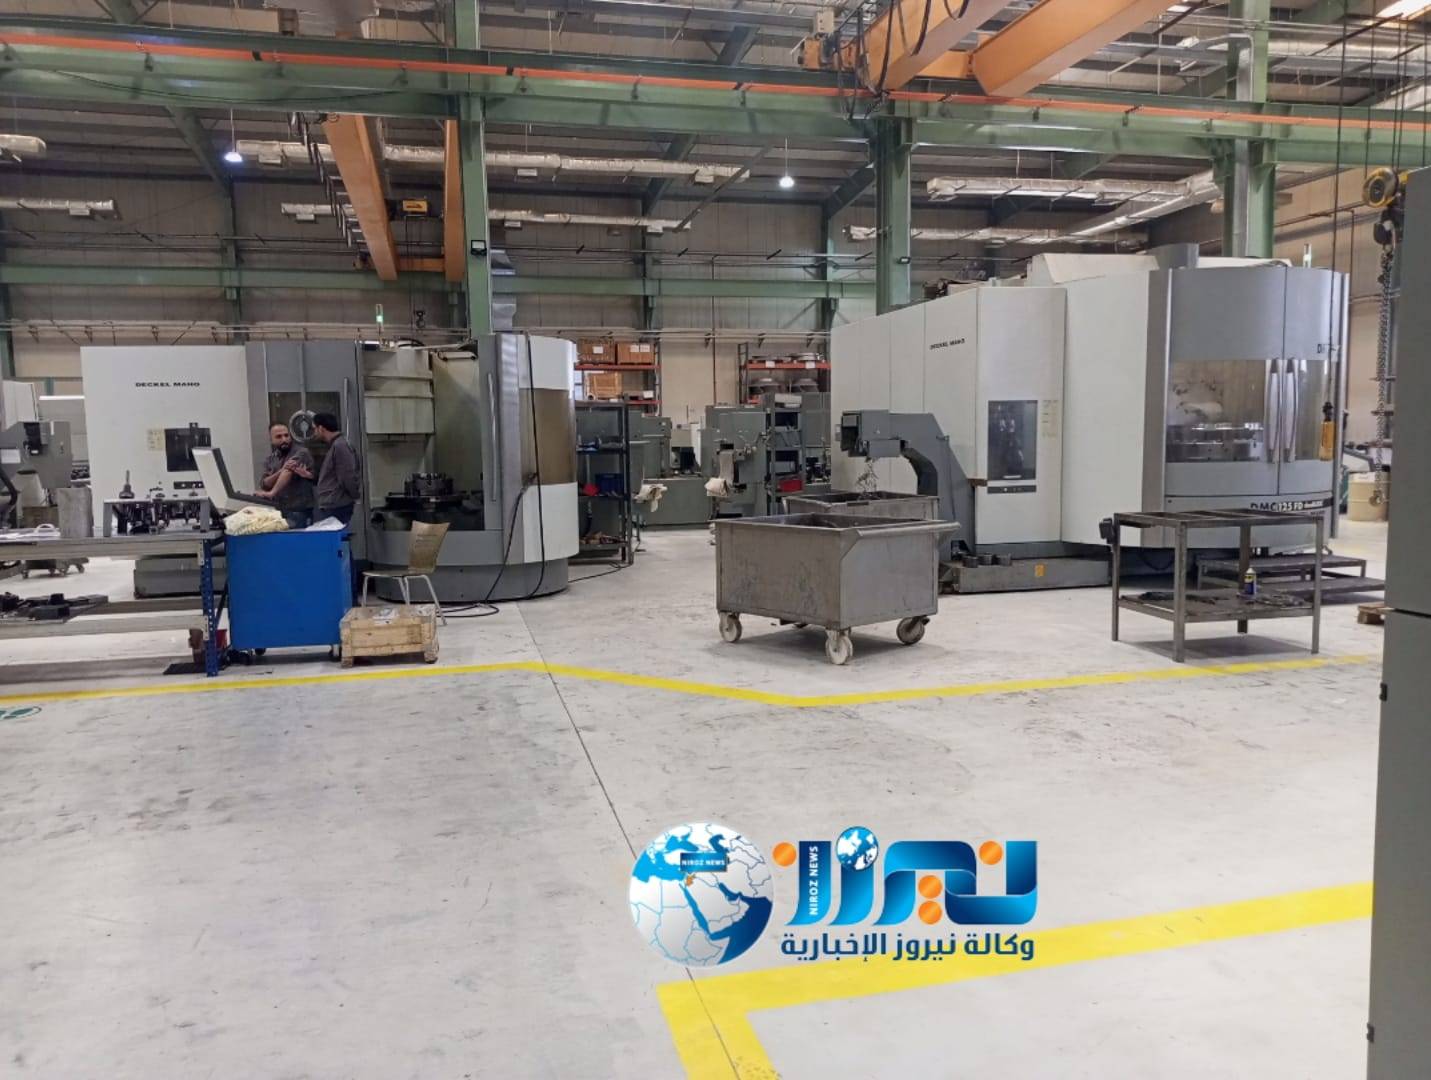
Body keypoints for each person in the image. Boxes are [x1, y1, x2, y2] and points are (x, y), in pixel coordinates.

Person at [306, 411, 362, 526]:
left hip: (336, 505)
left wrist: (355, 496)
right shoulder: (335, 445)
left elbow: (347, 476)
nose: (314, 433)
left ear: (321, 428)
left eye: (314, 429)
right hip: (332, 504)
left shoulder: (340, 446)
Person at [256, 422, 317, 529]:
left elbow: (288, 470)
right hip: (279, 509)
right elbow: (264, 483)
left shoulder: (301, 452)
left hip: (299, 510)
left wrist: (272, 493)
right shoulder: (271, 459)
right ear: (271, 440)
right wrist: (280, 471)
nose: (284, 439)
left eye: (286, 435)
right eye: (279, 437)